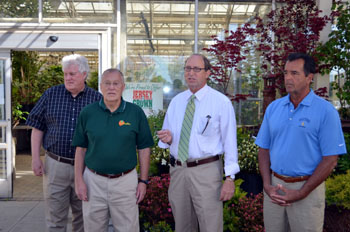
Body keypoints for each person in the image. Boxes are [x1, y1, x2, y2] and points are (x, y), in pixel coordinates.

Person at [255, 53, 347, 232]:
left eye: (295, 73)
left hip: (308, 190)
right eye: (286, 73)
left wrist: (301, 192)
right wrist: (267, 184)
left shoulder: (326, 112)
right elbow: (263, 149)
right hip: (275, 188)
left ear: (309, 77)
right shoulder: (274, 108)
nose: (288, 78)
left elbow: (331, 159)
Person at [157, 54, 239, 232]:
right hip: (179, 171)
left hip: (206, 173)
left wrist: (230, 178)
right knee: (183, 226)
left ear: (208, 73)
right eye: (188, 69)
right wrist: (169, 139)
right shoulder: (177, 102)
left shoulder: (221, 103)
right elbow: (169, 138)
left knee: (210, 226)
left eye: (197, 69)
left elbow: (230, 143)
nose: (191, 73)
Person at [26, 54, 102, 232]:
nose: (68, 78)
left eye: (72, 74)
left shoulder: (97, 99)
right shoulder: (51, 94)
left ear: (84, 74)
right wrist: (35, 158)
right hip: (55, 165)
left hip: (85, 168)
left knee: (82, 218)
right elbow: (37, 127)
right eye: (65, 74)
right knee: (55, 219)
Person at [72, 68, 154, 232]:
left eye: (116, 83)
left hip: (125, 182)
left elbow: (144, 149)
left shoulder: (135, 112)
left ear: (123, 87)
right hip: (93, 181)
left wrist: (143, 181)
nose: (111, 88)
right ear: (101, 87)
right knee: (93, 228)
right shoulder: (88, 113)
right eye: (107, 84)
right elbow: (80, 149)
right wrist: (79, 180)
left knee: (128, 228)